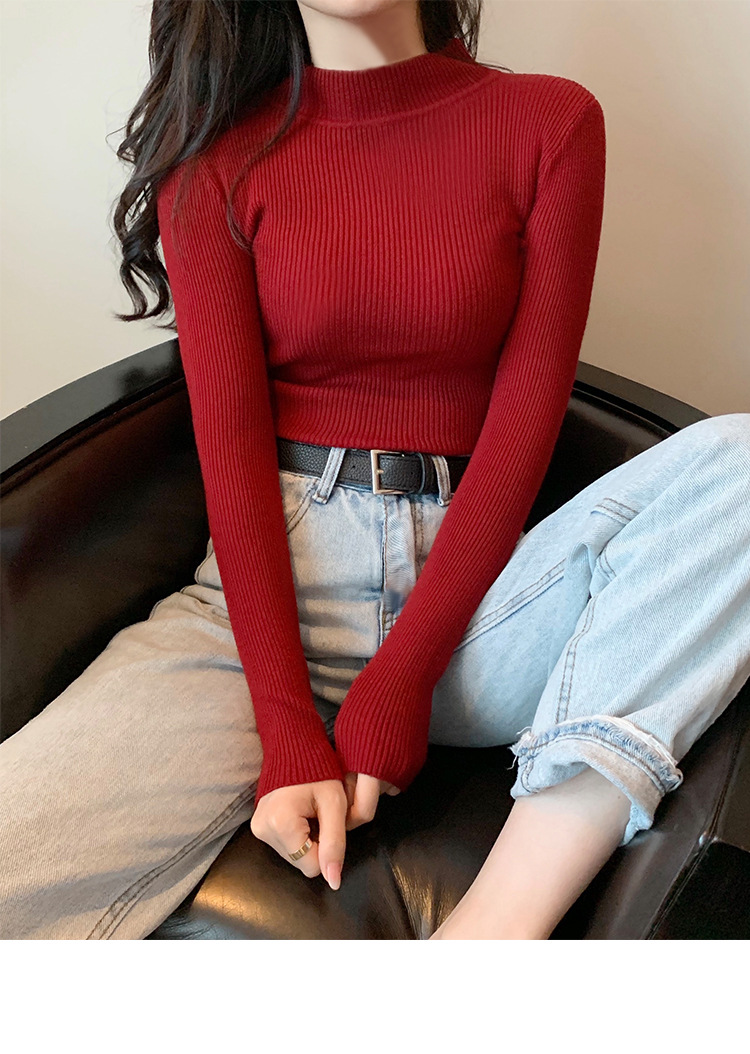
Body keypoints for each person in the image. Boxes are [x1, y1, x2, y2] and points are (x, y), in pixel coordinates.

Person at [1, 0, 748, 941]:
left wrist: (403, 679)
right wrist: (285, 727)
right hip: (254, 616)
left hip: (477, 612)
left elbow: (524, 426)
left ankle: (490, 937)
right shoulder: (215, 159)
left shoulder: (549, 123)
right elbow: (231, 454)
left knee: (741, 462)